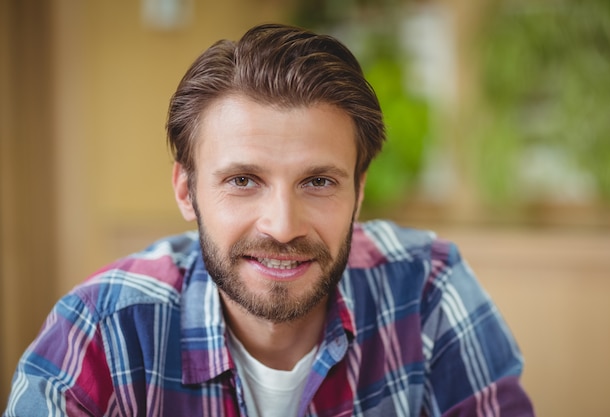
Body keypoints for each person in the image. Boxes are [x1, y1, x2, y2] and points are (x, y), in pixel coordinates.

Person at [4, 23, 534, 417]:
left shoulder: (426, 289)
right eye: (242, 181)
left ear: (359, 190)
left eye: (319, 181)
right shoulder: (101, 330)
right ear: (187, 192)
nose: (282, 227)